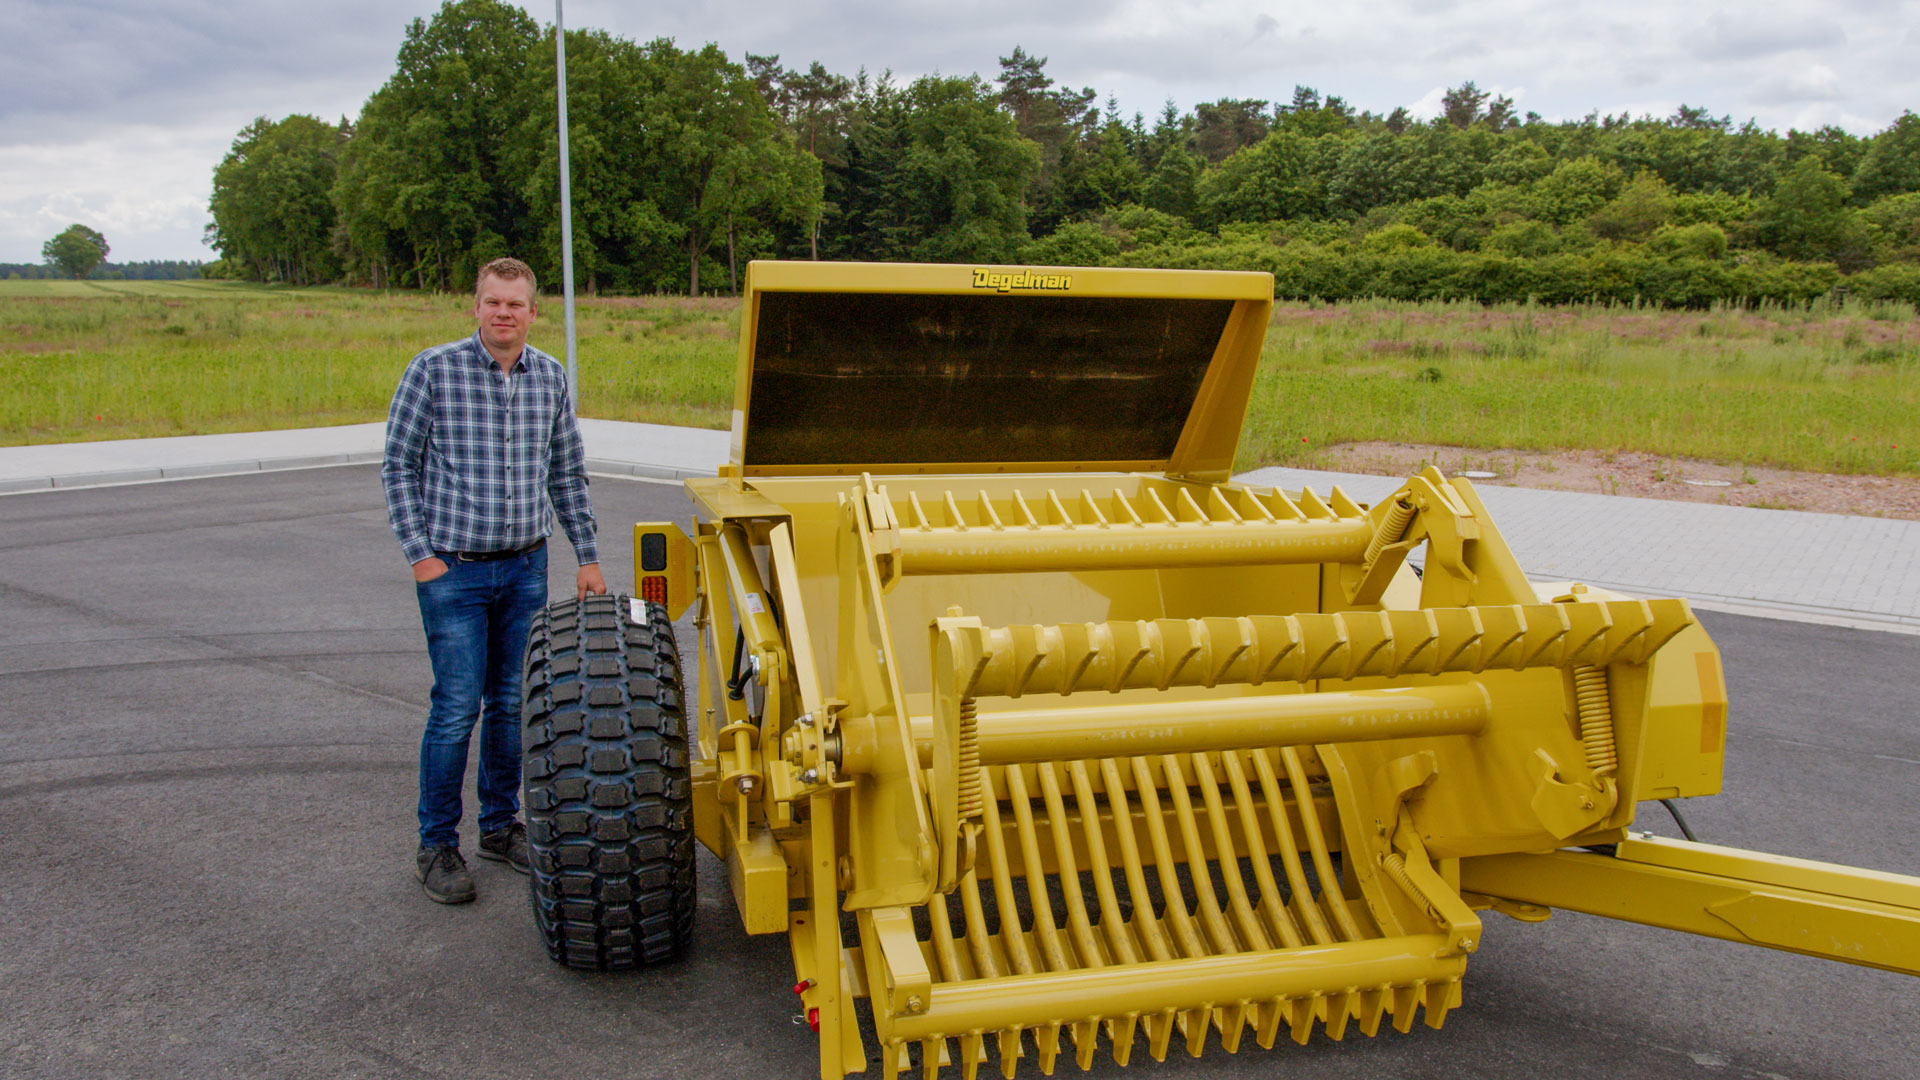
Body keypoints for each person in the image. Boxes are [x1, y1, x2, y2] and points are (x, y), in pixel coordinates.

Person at [381, 256, 607, 904]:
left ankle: (499, 826)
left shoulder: (551, 380)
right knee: (456, 708)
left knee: (511, 704)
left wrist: (586, 556)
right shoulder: (433, 371)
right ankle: (436, 844)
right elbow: (398, 466)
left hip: (525, 566)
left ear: (533, 312)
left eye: (516, 303)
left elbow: (566, 473)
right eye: (492, 302)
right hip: (454, 570)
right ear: (475, 307)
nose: (503, 313)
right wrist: (420, 555)